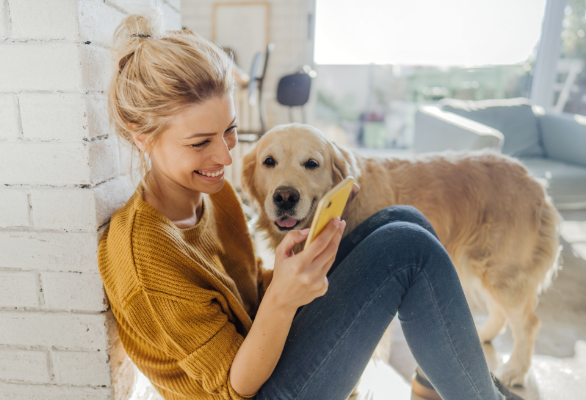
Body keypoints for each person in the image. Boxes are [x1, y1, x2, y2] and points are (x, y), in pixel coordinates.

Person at [97, 10, 525, 400]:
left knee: (401, 222)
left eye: (229, 131)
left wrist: (304, 263)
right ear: (143, 137)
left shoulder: (212, 194)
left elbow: (245, 290)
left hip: (267, 360)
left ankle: (436, 386)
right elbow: (233, 385)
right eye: (200, 142)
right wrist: (284, 295)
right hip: (246, 391)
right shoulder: (146, 256)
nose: (225, 157)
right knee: (405, 251)